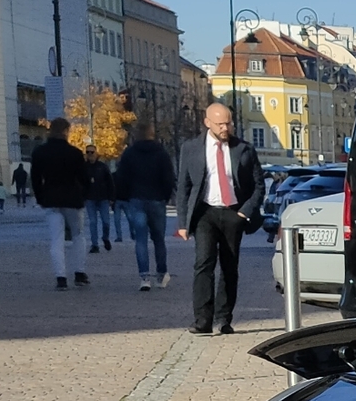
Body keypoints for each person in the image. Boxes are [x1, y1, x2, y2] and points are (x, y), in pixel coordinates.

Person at [176, 101, 263, 333]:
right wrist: (183, 222)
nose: (225, 128)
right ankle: (202, 320)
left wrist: (245, 211)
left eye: (229, 123)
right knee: (203, 263)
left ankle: (224, 318)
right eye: (220, 124)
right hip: (205, 212)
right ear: (207, 123)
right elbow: (183, 186)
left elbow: (259, 186)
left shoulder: (243, 149)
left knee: (229, 266)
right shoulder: (191, 148)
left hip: (234, 212)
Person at [112, 126, 177, 291]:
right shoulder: (161, 154)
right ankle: (161, 274)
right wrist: (165, 195)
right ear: (152, 135)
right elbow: (168, 177)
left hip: (136, 199)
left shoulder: (130, 154)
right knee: (159, 239)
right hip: (156, 199)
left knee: (141, 240)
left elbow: (121, 177)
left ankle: (144, 277)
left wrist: (126, 196)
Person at [30, 117, 92, 288]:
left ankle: (61, 277)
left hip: (51, 199)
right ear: (66, 131)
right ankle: (79, 272)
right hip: (72, 199)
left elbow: (35, 179)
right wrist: (84, 194)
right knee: (78, 236)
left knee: (56, 239)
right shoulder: (75, 153)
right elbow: (84, 179)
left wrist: (41, 198)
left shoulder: (40, 152)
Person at [87, 157, 118, 252]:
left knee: (106, 222)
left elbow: (110, 182)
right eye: (88, 152)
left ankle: (105, 237)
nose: (90, 154)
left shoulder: (102, 167)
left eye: (92, 152)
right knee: (93, 222)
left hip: (103, 198)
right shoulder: (84, 167)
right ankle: (94, 244)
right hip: (90, 198)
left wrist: (112, 197)